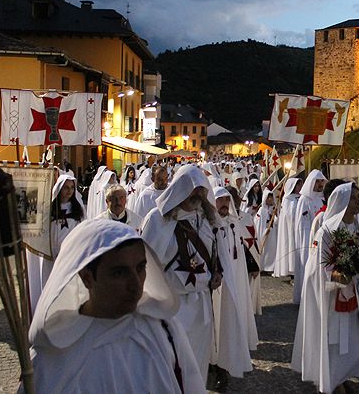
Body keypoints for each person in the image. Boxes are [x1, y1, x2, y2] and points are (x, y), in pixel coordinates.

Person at [27, 220, 204, 393]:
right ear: (87, 278)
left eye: (140, 268)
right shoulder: (53, 356)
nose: (135, 284)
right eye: (119, 273)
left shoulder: (164, 331)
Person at [292, 182, 359, 394]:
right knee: (334, 341)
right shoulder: (326, 231)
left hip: (353, 293)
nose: (358, 203)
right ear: (343, 202)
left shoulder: (355, 227)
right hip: (331, 297)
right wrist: (338, 275)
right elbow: (321, 267)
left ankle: (342, 376)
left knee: (354, 340)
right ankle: (332, 381)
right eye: (354, 199)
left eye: (358, 198)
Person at [140, 165, 226, 384]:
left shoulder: (207, 220)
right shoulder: (158, 220)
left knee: (197, 363)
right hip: (171, 306)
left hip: (201, 304)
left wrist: (217, 273)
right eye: (193, 189)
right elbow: (145, 264)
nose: (198, 194)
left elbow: (216, 253)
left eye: (201, 190)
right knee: (171, 365)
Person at [209, 187, 258, 390]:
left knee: (228, 324)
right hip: (216, 285)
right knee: (214, 324)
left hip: (234, 282)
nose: (223, 204)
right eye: (219, 200)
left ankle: (226, 364)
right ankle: (213, 363)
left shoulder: (234, 223)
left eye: (226, 200)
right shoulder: (209, 224)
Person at [28, 174, 86, 312]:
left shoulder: (78, 209)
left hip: (70, 255)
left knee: (68, 286)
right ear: (59, 189)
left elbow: (83, 230)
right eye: (66, 188)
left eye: (72, 188)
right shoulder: (49, 209)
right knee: (50, 284)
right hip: (51, 254)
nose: (69, 191)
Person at [226, 185, 262, 315]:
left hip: (244, 262)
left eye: (233, 198)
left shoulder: (246, 218)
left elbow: (252, 242)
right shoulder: (219, 220)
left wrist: (254, 264)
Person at [292, 169, 327, 303]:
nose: (319, 184)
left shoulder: (323, 198)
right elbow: (303, 223)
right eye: (317, 181)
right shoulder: (304, 200)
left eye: (321, 181)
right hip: (308, 238)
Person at [273, 178, 302, 280]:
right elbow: (288, 215)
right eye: (298, 185)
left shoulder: (301, 198)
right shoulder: (288, 199)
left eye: (300, 185)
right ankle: (292, 271)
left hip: (300, 228)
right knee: (291, 247)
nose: (300, 187)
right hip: (291, 229)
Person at [255, 189, 278, 274]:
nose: (270, 199)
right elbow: (258, 224)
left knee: (271, 249)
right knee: (264, 250)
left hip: (272, 233)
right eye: (268, 197)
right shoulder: (262, 210)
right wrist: (264, 231)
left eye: (271, 198)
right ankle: (262, 266)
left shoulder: (274, 209)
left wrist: (276, 214)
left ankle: (270, 267)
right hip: (264, 233)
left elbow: (276, 222)